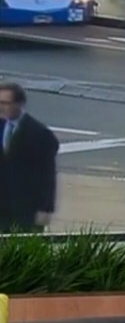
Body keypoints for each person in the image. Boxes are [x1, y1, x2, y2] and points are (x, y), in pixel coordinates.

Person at [0, 81, 59, 234]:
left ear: (19, 104)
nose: (1, 107)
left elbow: (47, 175)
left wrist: (46, 208)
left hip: (26, 208)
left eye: (5, 103)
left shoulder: (39, 134)